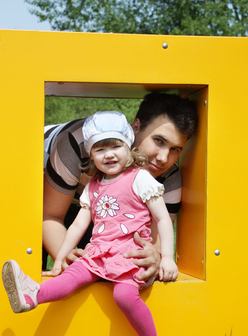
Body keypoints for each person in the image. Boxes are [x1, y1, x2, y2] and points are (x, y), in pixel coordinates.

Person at [2, 111, 178, 336]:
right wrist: (59, 259)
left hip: (129, 256)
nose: (109, 154)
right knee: (69, 278)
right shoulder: (93, 186)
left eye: (116, 145)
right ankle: (32, 295)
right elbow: (76, 227)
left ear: (128, 147)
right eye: (100, 148)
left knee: (123, 296)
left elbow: (163, 219)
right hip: (98, 252)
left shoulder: (140, 178)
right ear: (91, 155)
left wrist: (166, 258)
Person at [43, 92, 198, 286]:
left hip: (105, 209)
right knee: (34, 253)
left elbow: (155, 240)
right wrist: (67, 261)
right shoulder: (76, 146)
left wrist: (155, 258)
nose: (163, 158)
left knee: (106, 260)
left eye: (175, 149)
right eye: (159, 141)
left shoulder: (167, 178)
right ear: (135, 127)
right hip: (47, 182)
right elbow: (50, 216)